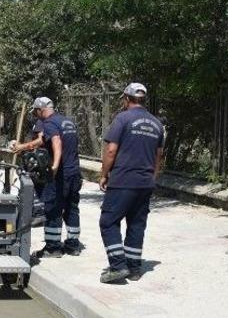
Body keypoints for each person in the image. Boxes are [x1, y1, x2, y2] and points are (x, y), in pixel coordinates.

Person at [98, 82, 165, 284]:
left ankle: (118, 266)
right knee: (136, 223)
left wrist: (103, 174)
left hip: (123, 180)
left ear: (127, 99)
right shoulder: (156, 124)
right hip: (145, 182)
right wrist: (152, 177)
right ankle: (134, 268)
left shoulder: (123, 118)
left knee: (108, 221)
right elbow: (159, 155)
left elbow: (111, 150)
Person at [11, 96, 82, 256]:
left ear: (40, 110)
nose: (36, 116)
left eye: (36, 112)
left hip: (61, 174)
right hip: (74, 173)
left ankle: (53, 247)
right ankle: (73, 245)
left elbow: (56, 142)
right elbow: (42, 140)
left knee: (53, 208)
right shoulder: (66, 122)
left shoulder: (49, 123)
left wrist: (55, 165)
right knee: (72, 208)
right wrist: (22, 147)